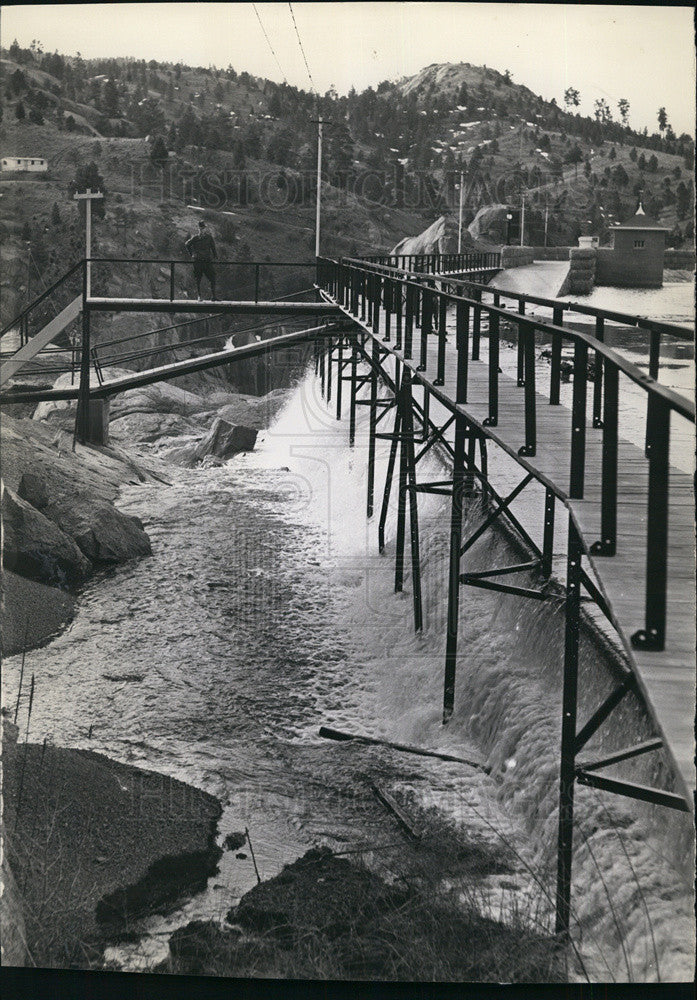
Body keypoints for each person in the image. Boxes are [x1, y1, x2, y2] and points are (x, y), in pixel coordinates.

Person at [185, 219, 217, 300]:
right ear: (198, 229)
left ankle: (213, 296)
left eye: (204, 228)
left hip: (207, 261)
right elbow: (187, 244)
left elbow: (213, 247)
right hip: (198, 261)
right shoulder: (195, 238)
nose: (202, 230)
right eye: (201, 228)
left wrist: (215, 255)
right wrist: (192, 254)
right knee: (198, 279)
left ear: (205, 229)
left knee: (212, 277)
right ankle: (199, 296)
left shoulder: (209, 238)